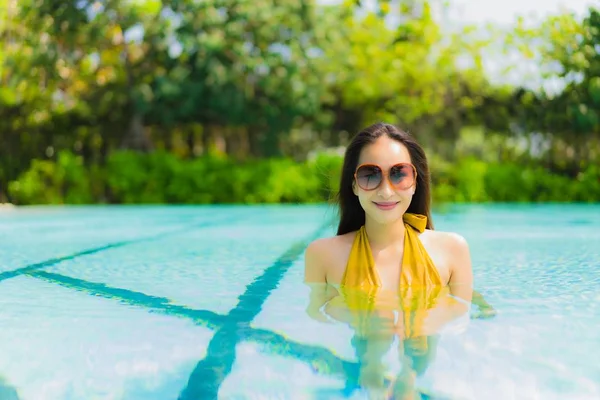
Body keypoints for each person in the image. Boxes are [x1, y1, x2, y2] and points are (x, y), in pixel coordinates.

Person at [304, 122, 490, 399]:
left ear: (415, 182)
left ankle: (409, 374)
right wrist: (364, 321)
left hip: (422, 355)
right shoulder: (323, 254)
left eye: (399, 174)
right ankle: (373, 371)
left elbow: (464, 320)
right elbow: (314, 317)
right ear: (354, 185)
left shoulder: (452, 249)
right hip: (367, 351)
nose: (386, 191)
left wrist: (420, 326)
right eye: (370, 175)